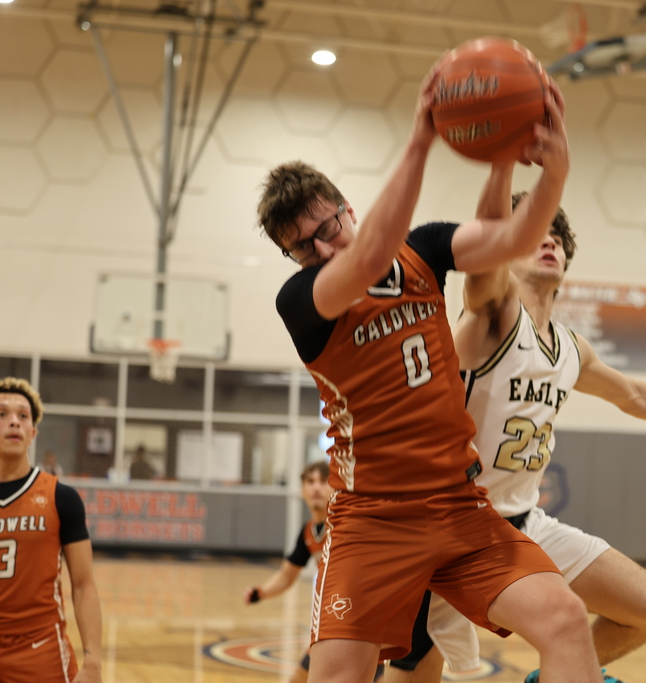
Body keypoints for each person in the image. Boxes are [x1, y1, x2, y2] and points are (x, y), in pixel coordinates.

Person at [258, 59, 604, 683]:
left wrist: (555, 169)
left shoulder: (425, 250)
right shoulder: (301, 301)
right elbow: (363, 258)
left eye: (328, 227)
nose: (323, 249)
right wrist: (421, 139)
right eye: (304, 246)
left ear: (346, 208)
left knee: (566, 621)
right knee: (337, 676)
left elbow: (512, 236)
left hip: (458, 506)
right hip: (372, 518)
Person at [385, 181, 646, 683]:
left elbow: (632, 395)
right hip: (451, 528)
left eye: (558, 237)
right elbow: (484, 255)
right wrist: (507, 164)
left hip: (522, 523)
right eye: (534, 234)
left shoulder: (570, 348)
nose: (550, 242)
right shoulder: (495, 313)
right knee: (417, 671)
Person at [0, 377, 103, 683]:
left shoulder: (61, 497)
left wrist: (93, 661)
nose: (15, 422)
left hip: (40, 647)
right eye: (2, 414)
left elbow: (83, 585)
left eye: (24, 416)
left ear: (33, 433)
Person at [243, 461, 386, 683]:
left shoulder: (350, 523)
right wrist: (261, 592)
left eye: (323, 481)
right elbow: (287, 575)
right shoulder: (309, 531)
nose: (316, 488)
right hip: (336, 622)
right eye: (310, 482)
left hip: (367, 621)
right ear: (302, 490)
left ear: (336, 487)